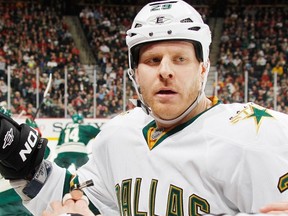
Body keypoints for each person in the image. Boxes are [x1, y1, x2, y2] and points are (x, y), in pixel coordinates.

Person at [0, 1, 288, 215]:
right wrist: (26, 166)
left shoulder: (257, 135)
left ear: (203, 68)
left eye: (179, 59)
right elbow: (81, 201)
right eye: (152, 60)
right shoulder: (119, 133)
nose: (165, 71)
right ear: (134, 73)